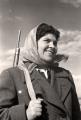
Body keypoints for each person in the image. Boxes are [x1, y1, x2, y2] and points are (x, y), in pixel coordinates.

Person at [0, 23, 80, 120]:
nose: (52, 46)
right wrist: (25, 114)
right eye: (47, 41)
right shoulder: (12, 75)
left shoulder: (65, 74)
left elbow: (76, 114)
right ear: (33, 44)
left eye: (55, 43)